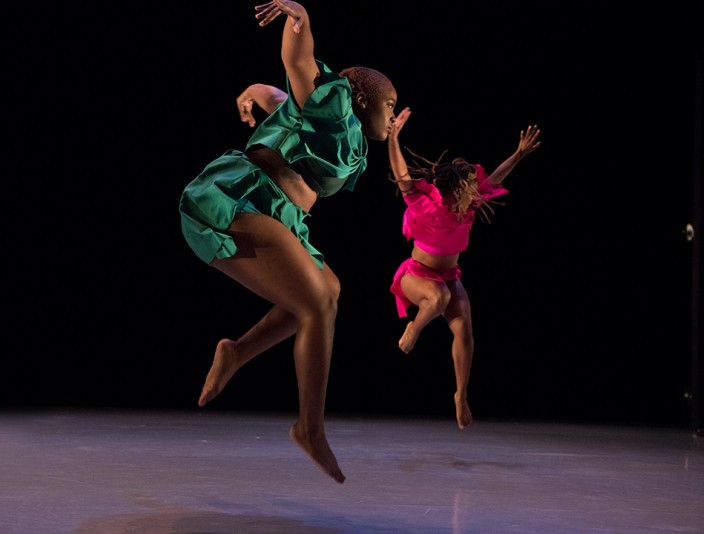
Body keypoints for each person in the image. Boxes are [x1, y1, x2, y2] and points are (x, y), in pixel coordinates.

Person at [178, 0, 398, 484]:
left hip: (277, 213)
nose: (393, 113)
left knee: (330, 289)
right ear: (361, 99)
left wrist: (254, 90)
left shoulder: (347, 136)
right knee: (316, 303)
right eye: (389, 104)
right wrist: (301, 19)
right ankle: (309, 429)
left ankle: (235, 353)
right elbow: (298, 65)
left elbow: (281, 99)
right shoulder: (336, 102)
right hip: (240, 198)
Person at [387, 107, 541, 430]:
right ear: (456, 189)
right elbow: (402, 176)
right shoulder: (427, 204)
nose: (477, 190)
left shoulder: (468, 205)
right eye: (470, 185)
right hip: (416, 275)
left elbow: (495, 177)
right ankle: (413, 329)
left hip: (448, 277)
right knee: (439, 296)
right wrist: (393, 138)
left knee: (465, 329)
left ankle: (460, 394)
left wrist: (518, 154)